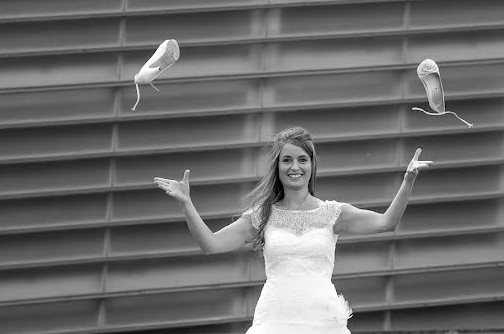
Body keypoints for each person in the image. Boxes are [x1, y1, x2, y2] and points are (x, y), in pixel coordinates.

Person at [153, 126, 433, 333]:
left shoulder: (333, 213)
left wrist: (407, 182)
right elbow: (210, 245)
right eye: (287, 160)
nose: (294, 167)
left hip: (323, 322)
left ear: (312, 165)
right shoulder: (262, 215)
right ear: (277, 166)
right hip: (274, 320)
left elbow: (387, 222)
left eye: (302, 160)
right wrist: (186, 203)